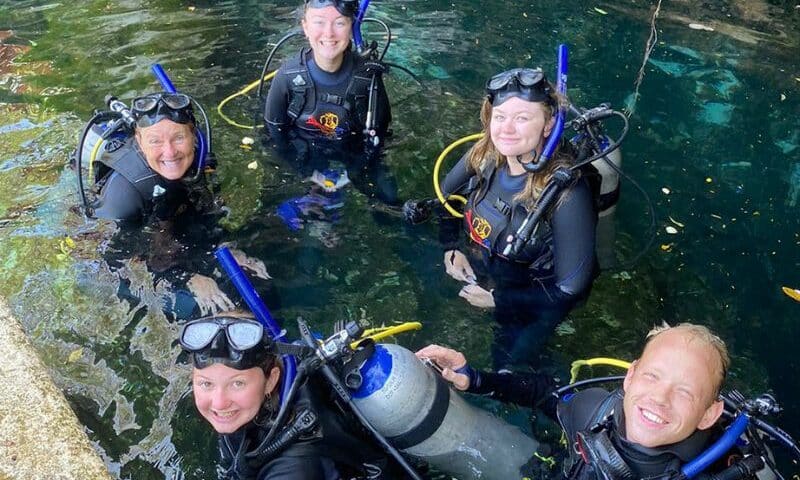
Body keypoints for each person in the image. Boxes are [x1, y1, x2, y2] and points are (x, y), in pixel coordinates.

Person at [416, 323, 732, 480]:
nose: (660, 398)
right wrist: (475, 378)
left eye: (685, 392)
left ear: (709, 414)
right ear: (631, 375)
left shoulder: (719, 472)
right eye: (652, 376)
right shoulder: (595, 410)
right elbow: (542, 393)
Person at [438, 67, 598, 367]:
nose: (506, 129)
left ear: (548, 124)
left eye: (522, 118)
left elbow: (569, 290)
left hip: (535, 295)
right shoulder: (483, 153)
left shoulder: (567, 193)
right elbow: (443, 201)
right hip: (483, 266)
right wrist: (450, 247)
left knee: (507, 363)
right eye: (500, 117)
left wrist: (500, 300)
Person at [180, 313, 394, 479]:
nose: (219, 402)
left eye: (237, 383)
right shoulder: (287, 367)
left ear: (271, 379)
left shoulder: (296, 467)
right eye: (206, 383)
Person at [264, 0, 391, 147]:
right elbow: (274, 138)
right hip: (301, 158)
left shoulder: (368, 77)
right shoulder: (287, 76)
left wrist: (359, 169)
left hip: (352, 156)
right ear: (305, 27)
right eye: (319, 22)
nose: (329, 33)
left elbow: (380, 142)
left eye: (339, 23)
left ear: (351, 27)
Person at [87, 92, 213, 222]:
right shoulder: (123, 197)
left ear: (193, 136)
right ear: (140, 142)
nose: (170, 152)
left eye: (179, 138)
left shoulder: (201, 151)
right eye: (155, 141)